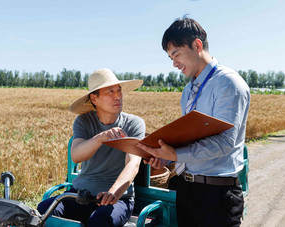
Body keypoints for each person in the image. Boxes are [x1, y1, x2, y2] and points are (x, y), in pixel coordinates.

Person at [137, 17, 250, 226]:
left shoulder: (228, 83)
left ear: (197, 45)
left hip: (217, 194)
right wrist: (166, 158)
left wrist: (175, 153)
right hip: (187, 190)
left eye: (176, 54)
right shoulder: (188, 90)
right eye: (170, 57)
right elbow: (191, 138)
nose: (174, 63)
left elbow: (225, 143)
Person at [37, 68, 145, 226]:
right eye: (110, 91)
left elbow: (133, 164)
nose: (118, 96)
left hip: (117, 199)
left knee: (100, 220)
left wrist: (113, 193)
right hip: (81, 195)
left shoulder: (134, 124)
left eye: (119, 90)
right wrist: (101, 138)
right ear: (94, 99)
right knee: (44, 209)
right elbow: (76, 155)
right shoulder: (84, 121)